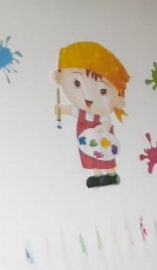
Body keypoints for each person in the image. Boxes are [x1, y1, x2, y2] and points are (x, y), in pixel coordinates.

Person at [52, 41, 130, 188]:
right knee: (91, 156)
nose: (88, 98)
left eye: (102, 91)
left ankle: (111, 173)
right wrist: (60, 109)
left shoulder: (101, 115)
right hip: (86, 140)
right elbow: (71, 110)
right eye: (77, 83)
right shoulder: (81, 111)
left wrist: (103, 128)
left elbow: (107, 123)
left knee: (106, 155)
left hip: (102, 138)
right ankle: (96, 175)